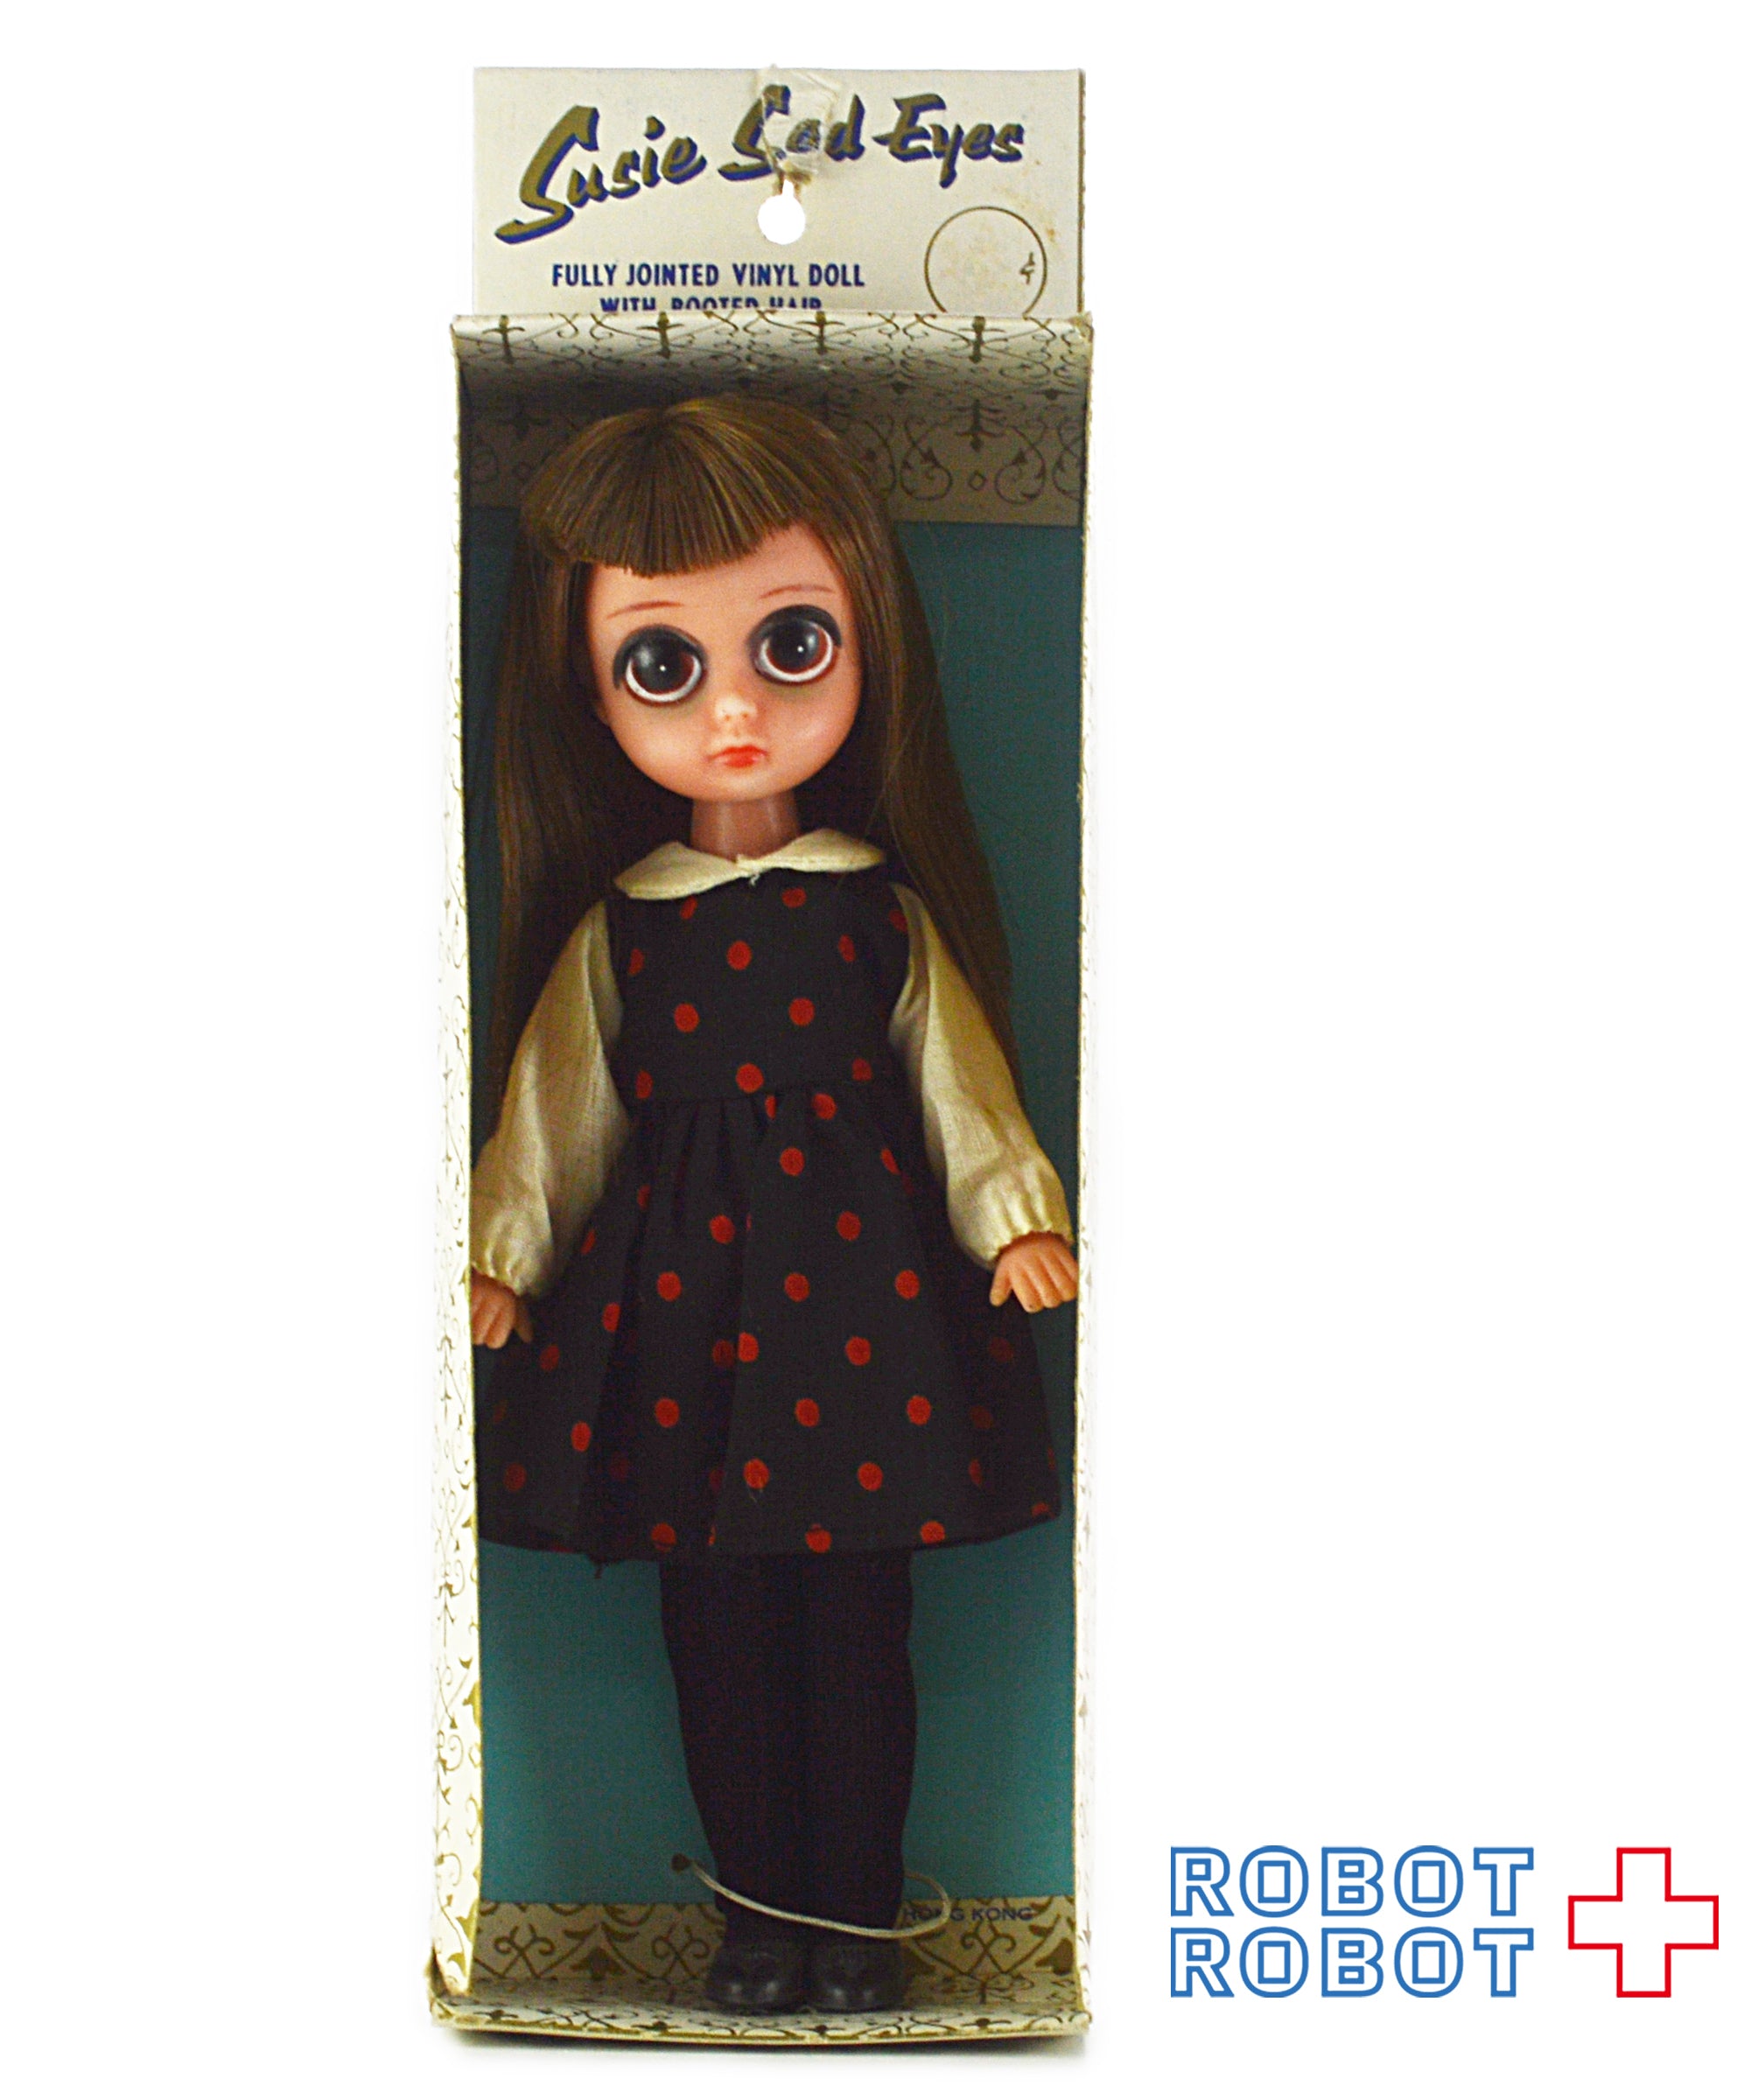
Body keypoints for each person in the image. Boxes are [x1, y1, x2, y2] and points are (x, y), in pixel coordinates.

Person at [469, 395, 1076, 2013]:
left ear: (868, 634)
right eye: (663, 664)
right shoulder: (626, 927)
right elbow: (558, 1113)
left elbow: (956, 1084)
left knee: (863, 1633)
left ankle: (856, 1926)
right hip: (681, 1337)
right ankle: (755, 1923)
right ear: (585, 684)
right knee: (716, 1634)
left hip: (870, 1327)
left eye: (791, 645)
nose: (735, 708)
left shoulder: (878, 914)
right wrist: (503, 1253)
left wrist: (1015, 1214)